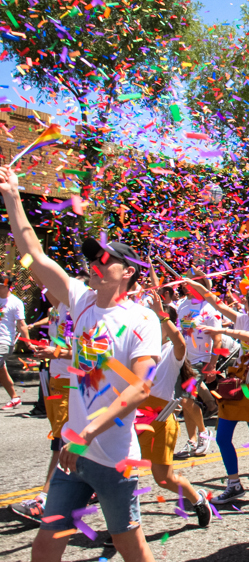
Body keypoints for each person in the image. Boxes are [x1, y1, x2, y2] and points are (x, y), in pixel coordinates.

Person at [3, 156, 162, 562]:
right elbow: (34, 253)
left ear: (128, 273)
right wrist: (12, 196)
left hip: (112, 458)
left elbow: (141, 386)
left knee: (130, 545)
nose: (95, 264)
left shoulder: (142, 318)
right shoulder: (81, 300)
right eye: (93, 258)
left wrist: (86, 431)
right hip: (75, 456)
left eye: (105, 260)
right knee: (47, 543)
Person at [191, 279, 249, 507]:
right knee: (222, 437)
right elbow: (218, 304)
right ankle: (234, 484)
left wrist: (221, 329)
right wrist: (196, 284)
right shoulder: (243, 318)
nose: (245, 302)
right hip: (238, 385)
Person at [139, 293, 211, 527]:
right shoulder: (139, 349)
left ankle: (197, 498)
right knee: (121, 473)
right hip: (130, 418)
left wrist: (161, 315)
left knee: (163, 479)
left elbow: (180, 341)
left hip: (159, 420)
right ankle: (123, 525)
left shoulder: (172, 351)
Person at [9, 275, 72, 522]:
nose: (48, 290)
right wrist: (46, 348)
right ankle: (91, 487)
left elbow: (91, 354)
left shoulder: (78, 313)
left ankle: (47, 500)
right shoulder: (56, 310)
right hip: (55, 380)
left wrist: (55, 351)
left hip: (73, 384)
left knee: (62, 442)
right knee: (63, 441)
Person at [173, 276, 222, 460]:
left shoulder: (210, 309)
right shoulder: (183, 304)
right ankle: (192, 440)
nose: (186, 285)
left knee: (186, 400)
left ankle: (203, 435)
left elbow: (217, 338)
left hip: (201, 360)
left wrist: (213, 364)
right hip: (182, 359)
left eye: (191, 282)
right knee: (185, 400)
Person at [0, 272, 28, 408]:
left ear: (8, 286)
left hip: (4, 341)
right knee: (1, 371)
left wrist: (28, 342)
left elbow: (21, 324)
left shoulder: (15, 302)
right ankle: (14, 398)